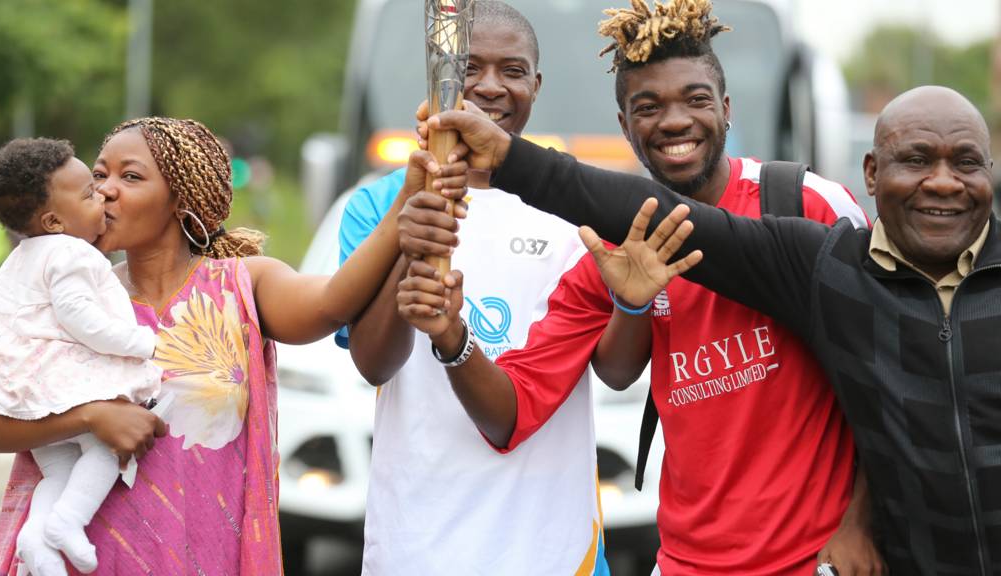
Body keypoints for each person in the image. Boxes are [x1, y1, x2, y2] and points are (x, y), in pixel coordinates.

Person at [428, 84, 997, 575]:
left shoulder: (814, 205)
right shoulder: (833, 269)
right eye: (917, 160)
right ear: (872, 173)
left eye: (966, 163)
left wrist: (857, 523)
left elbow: (863, 418)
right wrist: (509, 160)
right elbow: (641, 208)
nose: (943, 183)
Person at [399, 1, 882, 573]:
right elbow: (512, 414)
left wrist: (861, 525)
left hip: (817, 561)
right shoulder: (605, 255)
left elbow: (890, 379)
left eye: (696, 100)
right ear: (626, 127)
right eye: (648, 107)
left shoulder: (806, 205)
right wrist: (452, 338)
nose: (674, 121)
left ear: (726, 109)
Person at [0, 117, 464, 575]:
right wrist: (89, 418)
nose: (104, 189)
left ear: (179, 199)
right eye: (99, 174)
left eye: (130, 176)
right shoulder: (66, 299)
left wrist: (402, 208)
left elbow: (333, 301)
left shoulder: (241, 286)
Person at [339, 2, 609, 573]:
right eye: (469, 68)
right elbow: (373, 364)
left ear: (536, 85)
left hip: (552, 548)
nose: (490, 87)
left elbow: (614, 367)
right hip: (418, 541)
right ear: (438, 82)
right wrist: (409, 235)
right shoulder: (376, 204)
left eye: (512, 71)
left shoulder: (575, 209)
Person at [0, 138, 162, 575]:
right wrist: (140, 342)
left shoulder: (22, 256)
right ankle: (68, 521)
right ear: (55, 220)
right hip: (62, 387)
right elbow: (80, 318)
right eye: (89, 192)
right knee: (105, 445)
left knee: (58, 475)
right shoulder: (71, 251)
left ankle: (36, 538)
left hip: (24, 396)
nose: (101, 196)